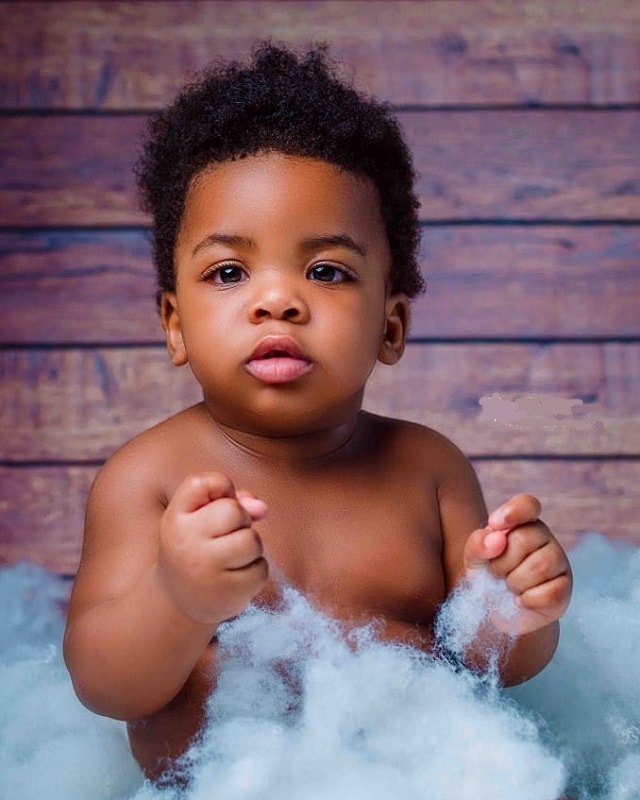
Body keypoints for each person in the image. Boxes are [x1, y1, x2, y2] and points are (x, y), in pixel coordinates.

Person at [63, 43, 573, 783]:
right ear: (174, 323)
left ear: (391, 326)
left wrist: (518, 610)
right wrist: (176, 598)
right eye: (229, 272)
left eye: (326, 271)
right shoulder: (149, 480)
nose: (278, 300)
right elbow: (105, 685)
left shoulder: (428, 470)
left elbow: (491, 668)